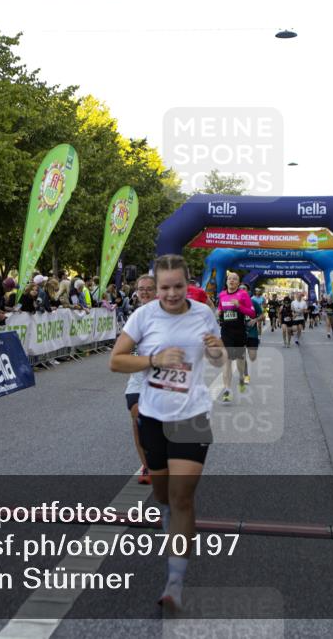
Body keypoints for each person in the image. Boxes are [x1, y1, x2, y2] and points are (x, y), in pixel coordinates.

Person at [109, 254, 225, 612]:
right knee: (163, 494)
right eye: (164, 288)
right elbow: (116, 360)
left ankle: (175, 581)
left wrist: (217, 351)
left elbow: (219, 359)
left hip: (191, 415)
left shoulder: (203, 314)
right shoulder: (144, 316)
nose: (171, 294)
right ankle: (169, 518)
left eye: (177, 286)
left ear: (187, 284)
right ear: (155, 287)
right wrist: (153, 361)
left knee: (182, 497)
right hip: (153, 415)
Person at [123, 274, 158, 485]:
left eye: (149, 288)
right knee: (137, 419)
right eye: (141, 288)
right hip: (137, 379)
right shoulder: (135, 315)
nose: (144, 292)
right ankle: (147, 466)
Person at [216, 272, 256, 402]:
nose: (232, 280)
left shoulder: (243, 294)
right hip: (226, 331)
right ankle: (227, 390)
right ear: (226, 281)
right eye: (230, 279)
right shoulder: (222, 294)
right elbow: (220, 308)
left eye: (235, 279)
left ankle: (240, 377)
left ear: (238, 283)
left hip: (239, 331)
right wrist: (218, 312)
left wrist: (239, 306)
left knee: (239, 359)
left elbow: (252, 312)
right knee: (226, 360)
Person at [245, 286, 265, 368]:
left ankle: (259, 336)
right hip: (239, 333)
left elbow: (262, 315)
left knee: (252, 357)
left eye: (244, 289)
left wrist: (255, 320)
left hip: (252, 333)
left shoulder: (253, 302)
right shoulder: (235, 303)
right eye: (240, 289)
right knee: (241, 356)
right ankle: (244, 374)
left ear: (248, 292)